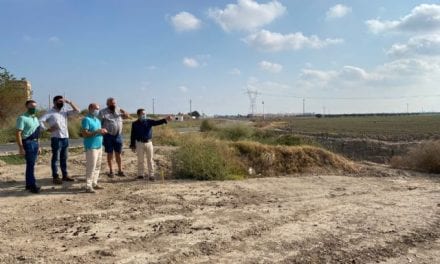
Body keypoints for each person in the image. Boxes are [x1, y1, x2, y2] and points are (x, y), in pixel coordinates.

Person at [39, 95, 80, 184]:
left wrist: (69, 102)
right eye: (59, 101)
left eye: (62, 102)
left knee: (64, 158)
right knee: (56, 158)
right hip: (56, 138)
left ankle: (65, 175)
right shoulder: (49, 112)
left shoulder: (64, 112)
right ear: (54, 102)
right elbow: (40, 121)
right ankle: (56, 177)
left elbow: (77, 111)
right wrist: (47, 129)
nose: (61, 103)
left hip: (65, 137)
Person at [130, 108, 171, 181]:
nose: (144, 115)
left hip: (149, 143)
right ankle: (140, 175)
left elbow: (157, 122)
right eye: (142, 114)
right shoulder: (134, 124)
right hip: (139, 143)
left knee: (150, 159)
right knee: (140, 160)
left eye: (145, 114)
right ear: (138, 115)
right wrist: (132, 145)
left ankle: (151, 175)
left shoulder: (149, 121)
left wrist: (165, 119)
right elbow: (132, 135)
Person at [99, 97, 129, 178]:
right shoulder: (103, 112)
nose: (113, 104)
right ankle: (111, 171)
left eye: (114, 103)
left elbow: (127, 116)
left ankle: (120, 170)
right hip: (108, 136)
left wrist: (122, 110)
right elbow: (99, 123)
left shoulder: (118, 110)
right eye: (112, 103)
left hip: (118, 136)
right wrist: (101, 131)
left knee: (118, 153)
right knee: (110, 153)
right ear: (107, 104)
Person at [15, 100, 41, 193]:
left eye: (35, 106)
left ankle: (28, 185)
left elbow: (38, 133)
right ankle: (32, 185)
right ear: (27, 107)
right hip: (28, 143)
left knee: (31, 165)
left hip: (35, 143)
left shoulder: (35, 118)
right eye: (31, 106)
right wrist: (21, 147)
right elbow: (18, 133)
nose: (33, 108)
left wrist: (39, 146)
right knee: (30, 165)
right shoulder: (22, 118)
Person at [81, 103, 107, 193]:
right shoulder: (86, 119)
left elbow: (98, 132)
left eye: (98, 109)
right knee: (91, 166)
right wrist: (97, 131)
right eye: (96, 108)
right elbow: (85, 134)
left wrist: (102, 131)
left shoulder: (97, 120)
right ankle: (88, 186)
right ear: (90, 108)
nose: (97, 110)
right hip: (91, 146)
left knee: (98, 166)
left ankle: (94, 183)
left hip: (99, 146)